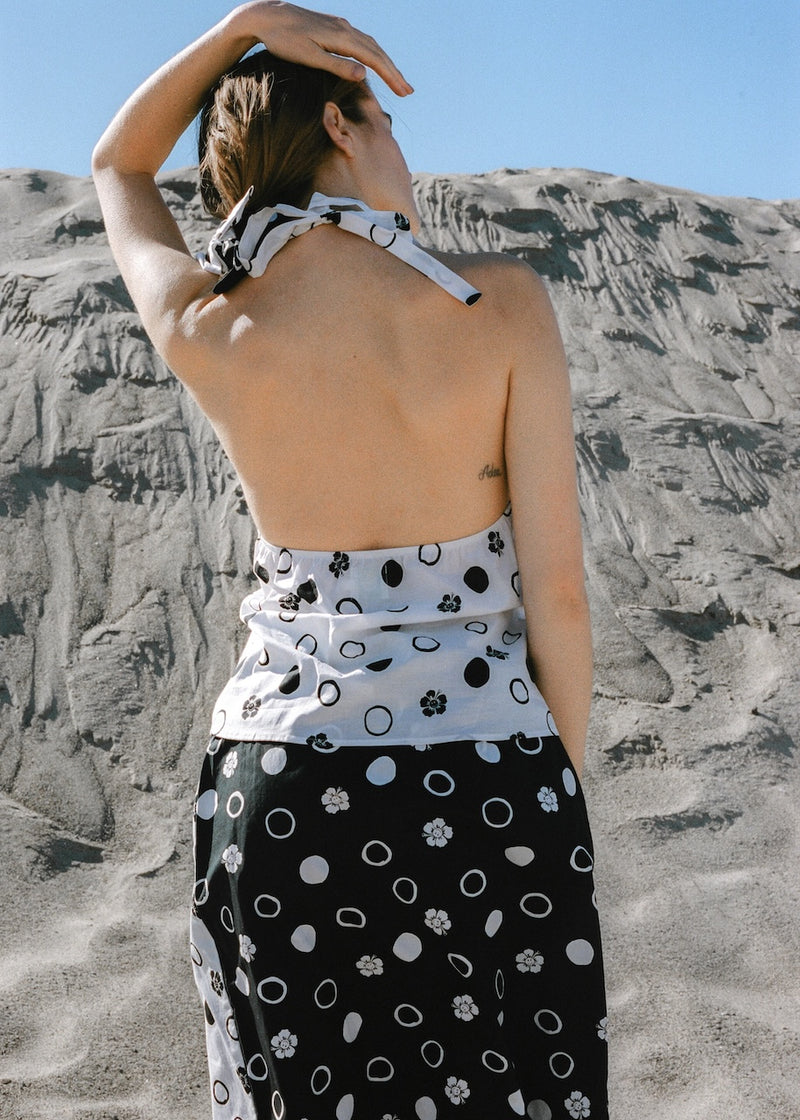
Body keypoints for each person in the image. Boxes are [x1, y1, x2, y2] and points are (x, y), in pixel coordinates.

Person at [93, 3, 608, 1117]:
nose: (403, 156)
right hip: (483, 780)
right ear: (342, 121)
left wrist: (237, 32)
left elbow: (116, 162)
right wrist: (545, 787)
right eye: (386, 126)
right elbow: (557, 596)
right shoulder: (497, 306)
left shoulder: (206, 320)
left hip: (281, 785)